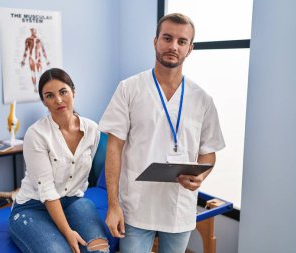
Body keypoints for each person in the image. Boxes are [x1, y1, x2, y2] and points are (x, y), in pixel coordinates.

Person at [98, 13, 225, 253]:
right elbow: (113, 147)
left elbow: (209, 153)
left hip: (179, 207)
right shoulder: (129, 89)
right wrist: (113, 205)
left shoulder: (202, 99)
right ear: (155, 41)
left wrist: (201, 177)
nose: (173, 46)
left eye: (181, 41)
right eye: (167, 38)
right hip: (136, 206)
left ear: (190, 49)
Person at [9, 68, 109, 253]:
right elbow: (46, 190)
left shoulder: (92, 130)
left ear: (73, 91)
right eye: (50, 95)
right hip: (33, 206)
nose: (58, 100)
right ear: (44, 101)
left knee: (99, 249)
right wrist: (67, 232)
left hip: (73, 202)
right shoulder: (36, 134)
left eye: (63, 92)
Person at [20, 28, 50, 92]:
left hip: (38, 58)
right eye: (32, 30)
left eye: (34, 31)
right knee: (33, 73)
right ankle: (35, 87)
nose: (34, 32)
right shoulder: (28, 40)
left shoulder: (39, 40)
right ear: (31, 31)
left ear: (36, 31)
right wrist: (23, 60)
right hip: (31, 58)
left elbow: (43, 51)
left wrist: (47, 60)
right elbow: (25, 50)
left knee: (40, 73)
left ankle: (40, 87)